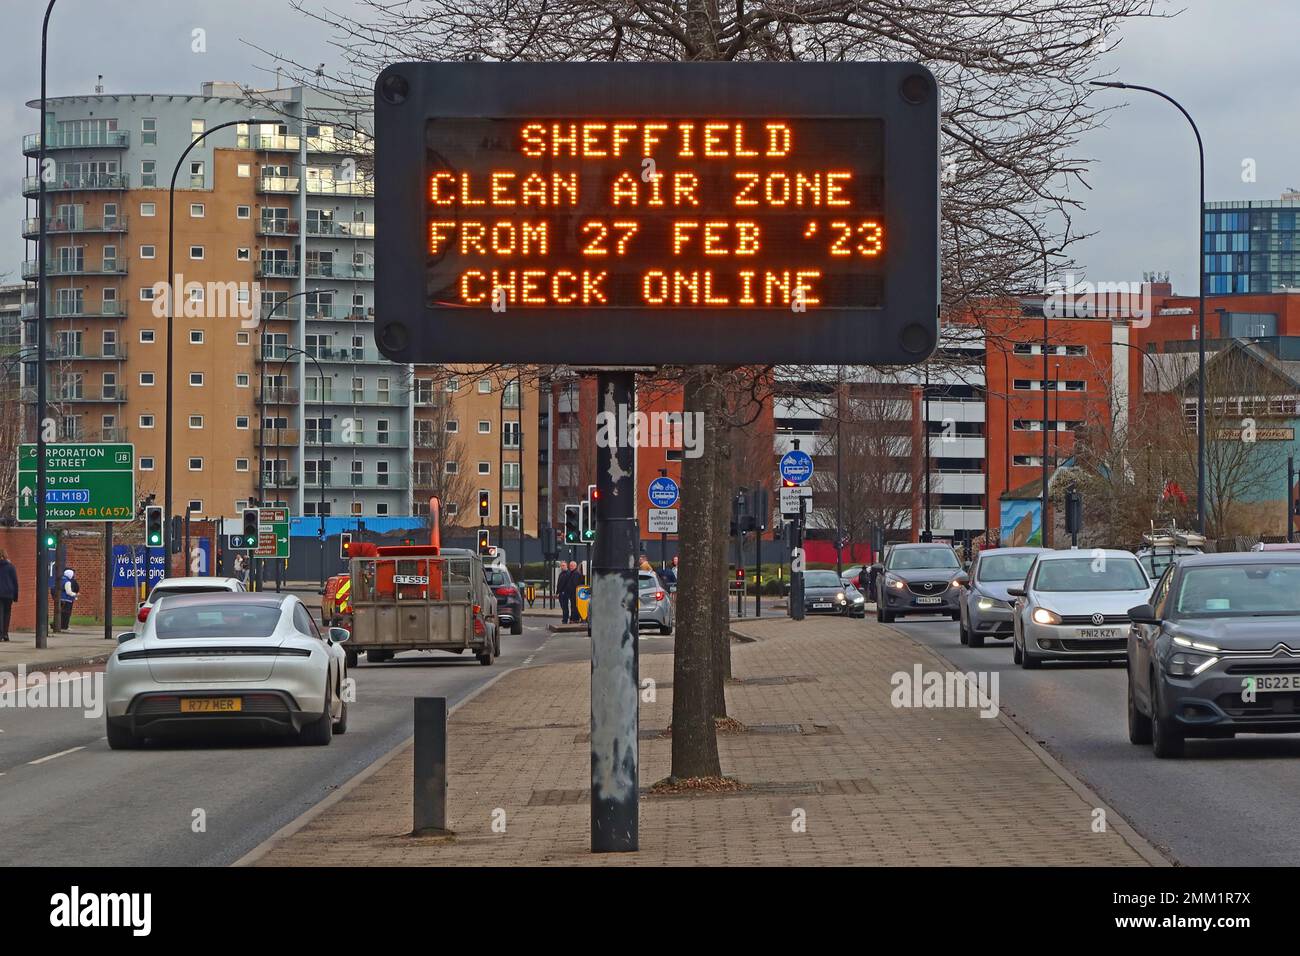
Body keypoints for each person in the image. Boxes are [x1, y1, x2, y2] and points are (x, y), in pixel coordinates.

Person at [0, 549, 17, 642]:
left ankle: (0, 633)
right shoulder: (10, 567)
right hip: (8, 594)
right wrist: (15, 596)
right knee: (7, 614)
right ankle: (5, 634)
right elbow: (15, 581)